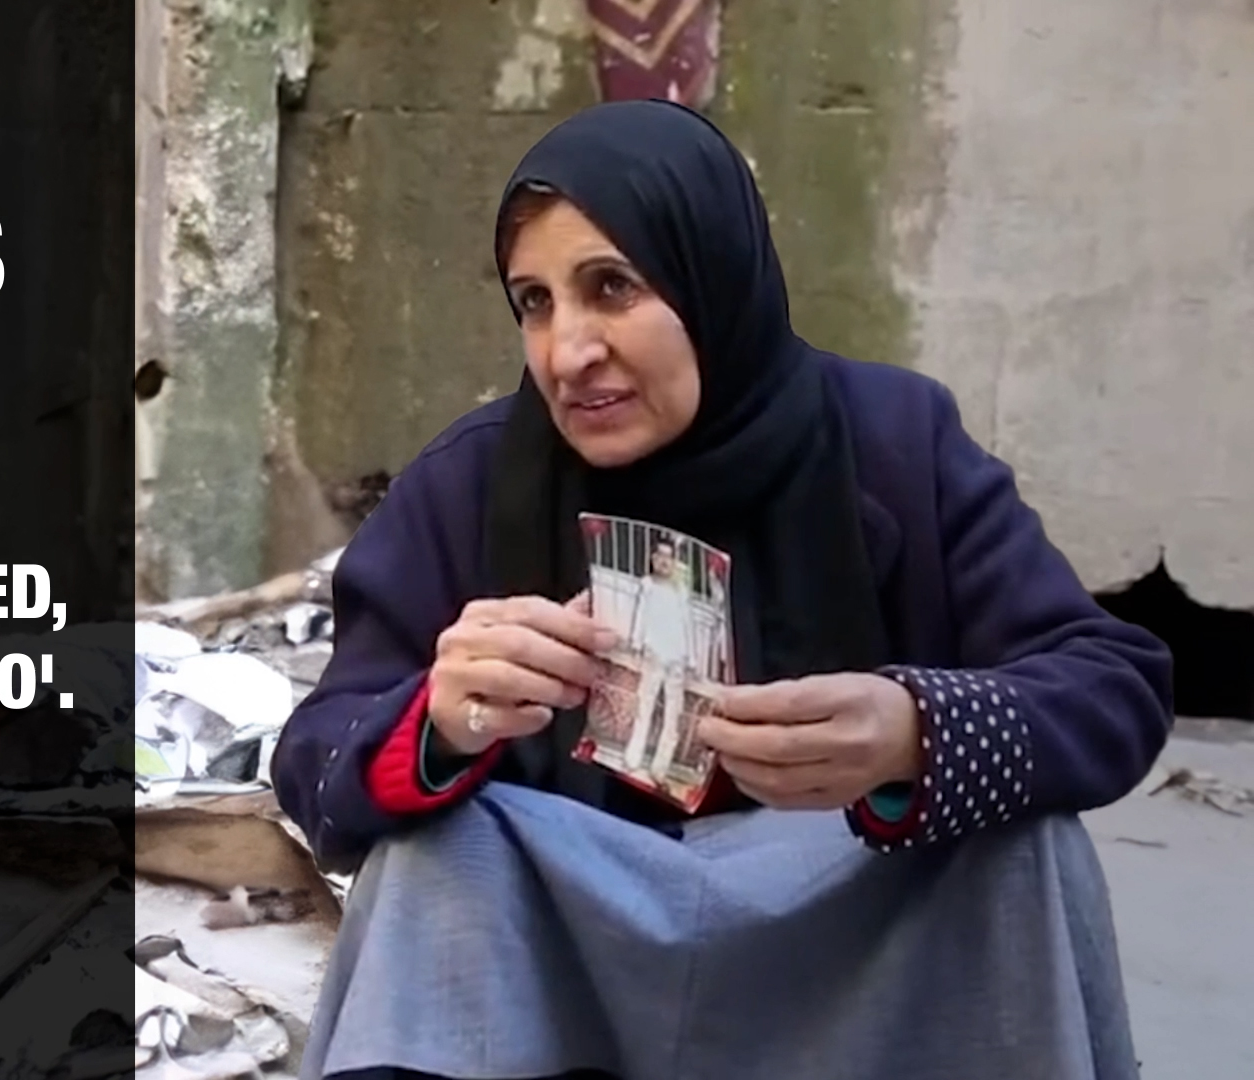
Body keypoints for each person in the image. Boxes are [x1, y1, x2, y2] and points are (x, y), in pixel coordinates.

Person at [270, 99, 1172, 1080]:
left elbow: (1113, 684)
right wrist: (439, 722)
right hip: (568, 949)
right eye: (536, 301)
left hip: (855, 933)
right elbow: (316, 762)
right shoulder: (473, 484)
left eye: (611, 287)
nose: (568, 352)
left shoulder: (893, 447)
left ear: (714, 277)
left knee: (1025, 841)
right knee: (428, 856)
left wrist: (915, 729)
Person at [623, 536, 693, 775]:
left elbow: (686, 623)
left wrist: (690, 657)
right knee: (645, 705)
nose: (664, 561)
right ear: (653, 559)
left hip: (677, 657)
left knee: (673, 713)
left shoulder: (681, 591)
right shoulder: (647, 585)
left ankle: (661, 766)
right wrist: (636, 640)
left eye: (668, 557)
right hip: (654, 653)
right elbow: (641, 614)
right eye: (660, 556)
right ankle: (634, 756)